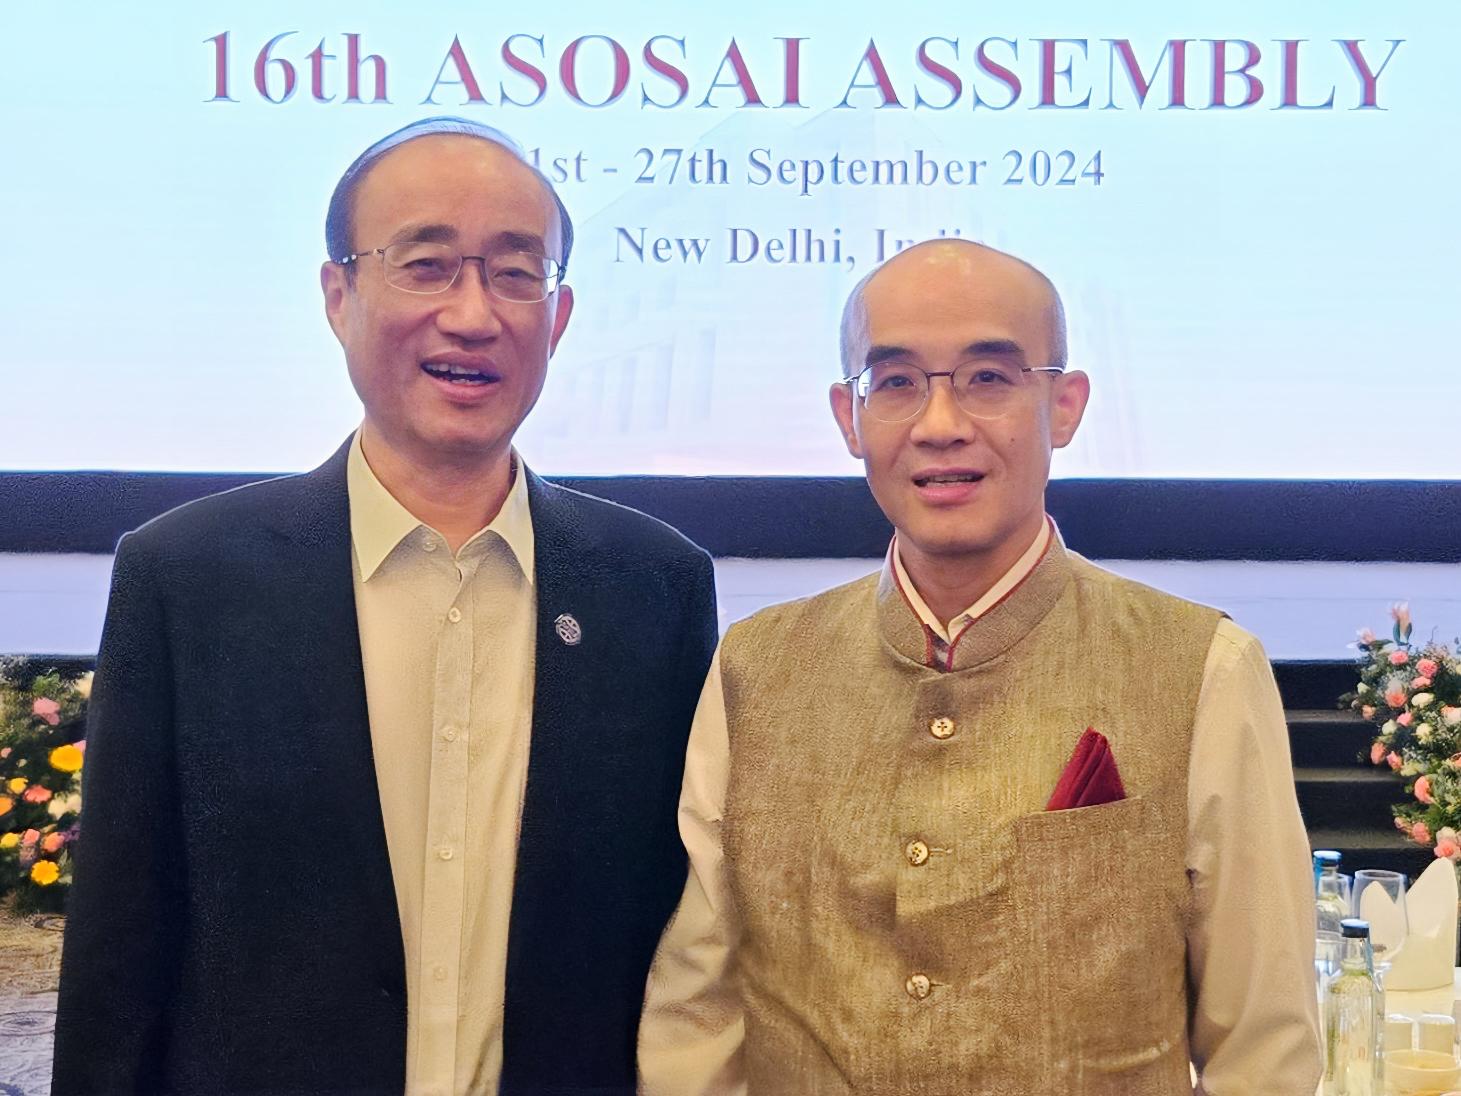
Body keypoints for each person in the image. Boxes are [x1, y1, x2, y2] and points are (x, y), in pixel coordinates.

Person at [52, 117, 718, 1096]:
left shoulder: (652, 589)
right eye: (428, 265)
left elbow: (679, 950)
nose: (473, 314)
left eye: (514, 273)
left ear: (560, 315)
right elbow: (118, 962)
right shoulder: (188, 579)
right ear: (339, 294)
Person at [638, 239, 1321, 1094]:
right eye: (895, 383)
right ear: (848, 417)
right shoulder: (755, 669)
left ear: (1064, 406)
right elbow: (698, 1012)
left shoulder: (1202, 668)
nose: (938, 424)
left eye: (987, 379)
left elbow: (1263, 1044)